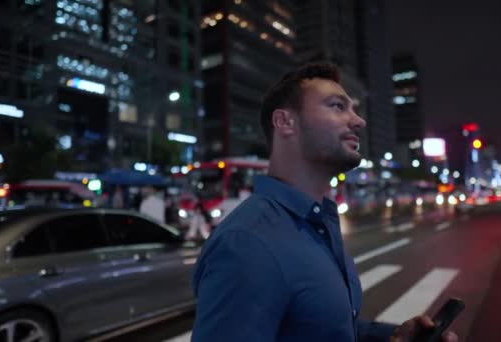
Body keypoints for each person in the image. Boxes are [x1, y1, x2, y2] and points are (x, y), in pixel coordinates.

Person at [191, 62, 459, 342]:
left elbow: (326, 330)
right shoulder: (246, 243)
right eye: (337, 106)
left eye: (354, 109)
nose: (358, 121)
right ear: (285, 122)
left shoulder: (319, 222)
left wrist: (393, 337)